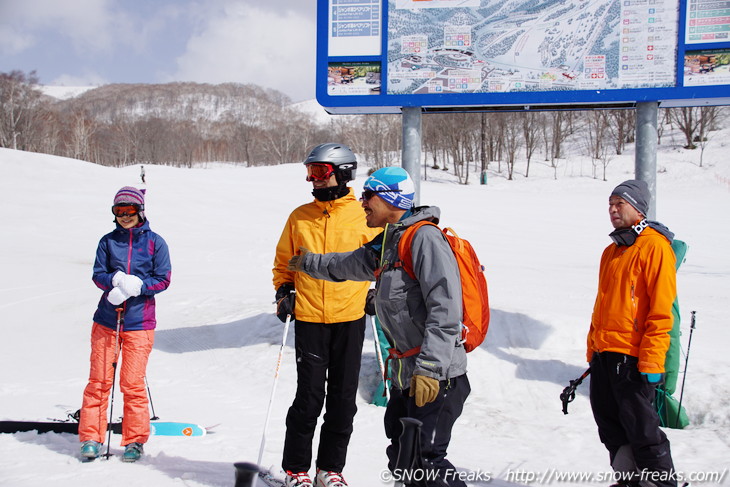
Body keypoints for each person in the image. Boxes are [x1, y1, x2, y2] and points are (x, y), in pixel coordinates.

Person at [288, 166, 470, 487]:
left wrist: (430, 369)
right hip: (405, 378)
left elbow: (446, 308)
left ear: (390, 198)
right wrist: (306, 262)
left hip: (435, 378)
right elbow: (344, 264)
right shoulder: (388, 244)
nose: (362, 203)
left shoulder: (424, 239)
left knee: (424, 462)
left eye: (368, 196)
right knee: (403, 459)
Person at [272, 143, 380, 487]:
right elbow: (284, 263)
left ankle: (330, 469)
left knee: (343, 401)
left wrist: (379, 292)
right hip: (308, 318)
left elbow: (383, 262)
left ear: (343, 172)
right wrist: (283, 291)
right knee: (308, 398)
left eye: (319, 171)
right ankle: (296, 470)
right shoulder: (299, 216)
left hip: (349, 317)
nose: (312, 179)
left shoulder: (363, 215)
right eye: (309, 172)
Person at [586, 180, 677, 487]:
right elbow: (602, 304)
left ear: (637, 208)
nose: (612, 210)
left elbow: (661, 311)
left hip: (633, 358)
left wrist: (652, 362)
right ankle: (630, 480)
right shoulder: (611, 251)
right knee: (610, 426)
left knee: (643, 430)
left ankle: (660, 483)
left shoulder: (654, 247)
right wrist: (592, 350)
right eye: (610, 204)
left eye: (619, 203)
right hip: (605, 354)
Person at [79, 186, 171, 462]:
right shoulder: (107, 242)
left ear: (140, 211)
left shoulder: (156, 242)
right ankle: (91, 438)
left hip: (139, 323)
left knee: (132, 384)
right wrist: (115, 282)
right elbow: (98, 274)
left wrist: (139, 286)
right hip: (107, 320)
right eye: (119, 211)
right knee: (99, 381)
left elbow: (163, 279)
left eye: (129, 211)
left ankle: (134, 440)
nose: (124, 216)